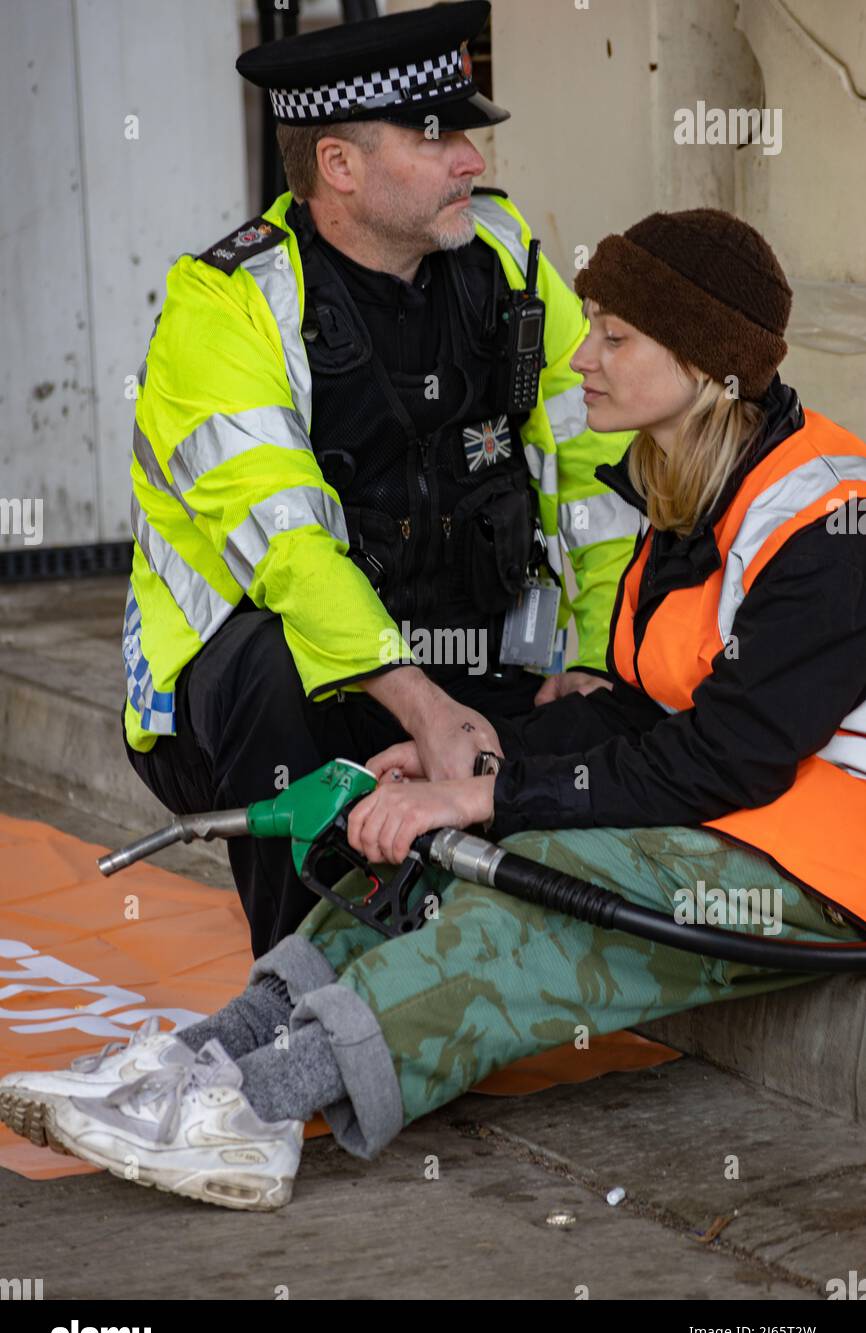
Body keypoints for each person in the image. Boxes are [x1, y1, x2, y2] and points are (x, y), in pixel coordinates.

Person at [6, 206, 865, 1212]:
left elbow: (726, 758)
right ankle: (203, 1056)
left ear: (703, 363)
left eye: (613, 336)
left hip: (816, 858)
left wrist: (484, 802)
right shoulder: (681, 488)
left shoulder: (822, 515)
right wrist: (471, 764)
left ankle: (252, 1112)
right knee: (417, 858)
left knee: (522, 895)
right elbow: (637, 713)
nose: (579, 355)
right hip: (735, 810)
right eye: (585, 323)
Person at [119, 0, 637, 959]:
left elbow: (600, 476)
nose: (473, 162)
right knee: (271, 663)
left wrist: (600, 658)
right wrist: (426, 707)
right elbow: (288, 553)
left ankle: (469, 949)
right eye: (438, 139)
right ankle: (299, 988)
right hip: (288, 698)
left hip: (478, 657)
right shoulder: (227, 306)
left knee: (642, 692)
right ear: (339, 166)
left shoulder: (505, 259)